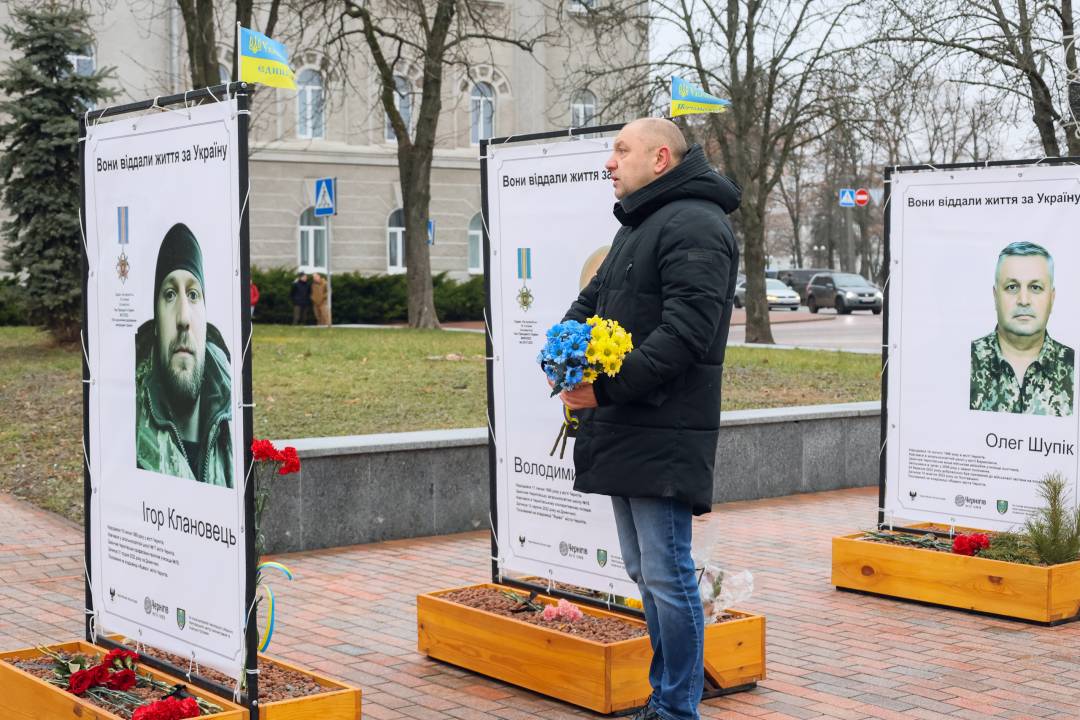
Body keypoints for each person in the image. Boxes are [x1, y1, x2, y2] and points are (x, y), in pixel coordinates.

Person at [558, 118, 740, 720]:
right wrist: (562, 353)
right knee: (645, 569)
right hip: (630, 426)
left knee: (666, 573)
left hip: (662, 427)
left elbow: (686, 334)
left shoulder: (695, 223)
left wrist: (604, 391)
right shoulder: (642, 223)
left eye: (621, 150)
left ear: (661, 158)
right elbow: (592, 302)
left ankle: (676, 707)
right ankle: (667, 698)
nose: (609, 162)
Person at [135, 223, 233, 487]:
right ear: (155, 323)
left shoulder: (235, 422)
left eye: (193, 294)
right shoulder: (127, 428)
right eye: (169, 294)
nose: (183, 318)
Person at [970, 241, 1074, 416]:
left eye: (1035, 287)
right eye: (1012, 287)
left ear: (1052, 298)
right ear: (995, 297)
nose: (1024, 300)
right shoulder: (963, 362)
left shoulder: (1074, 367)